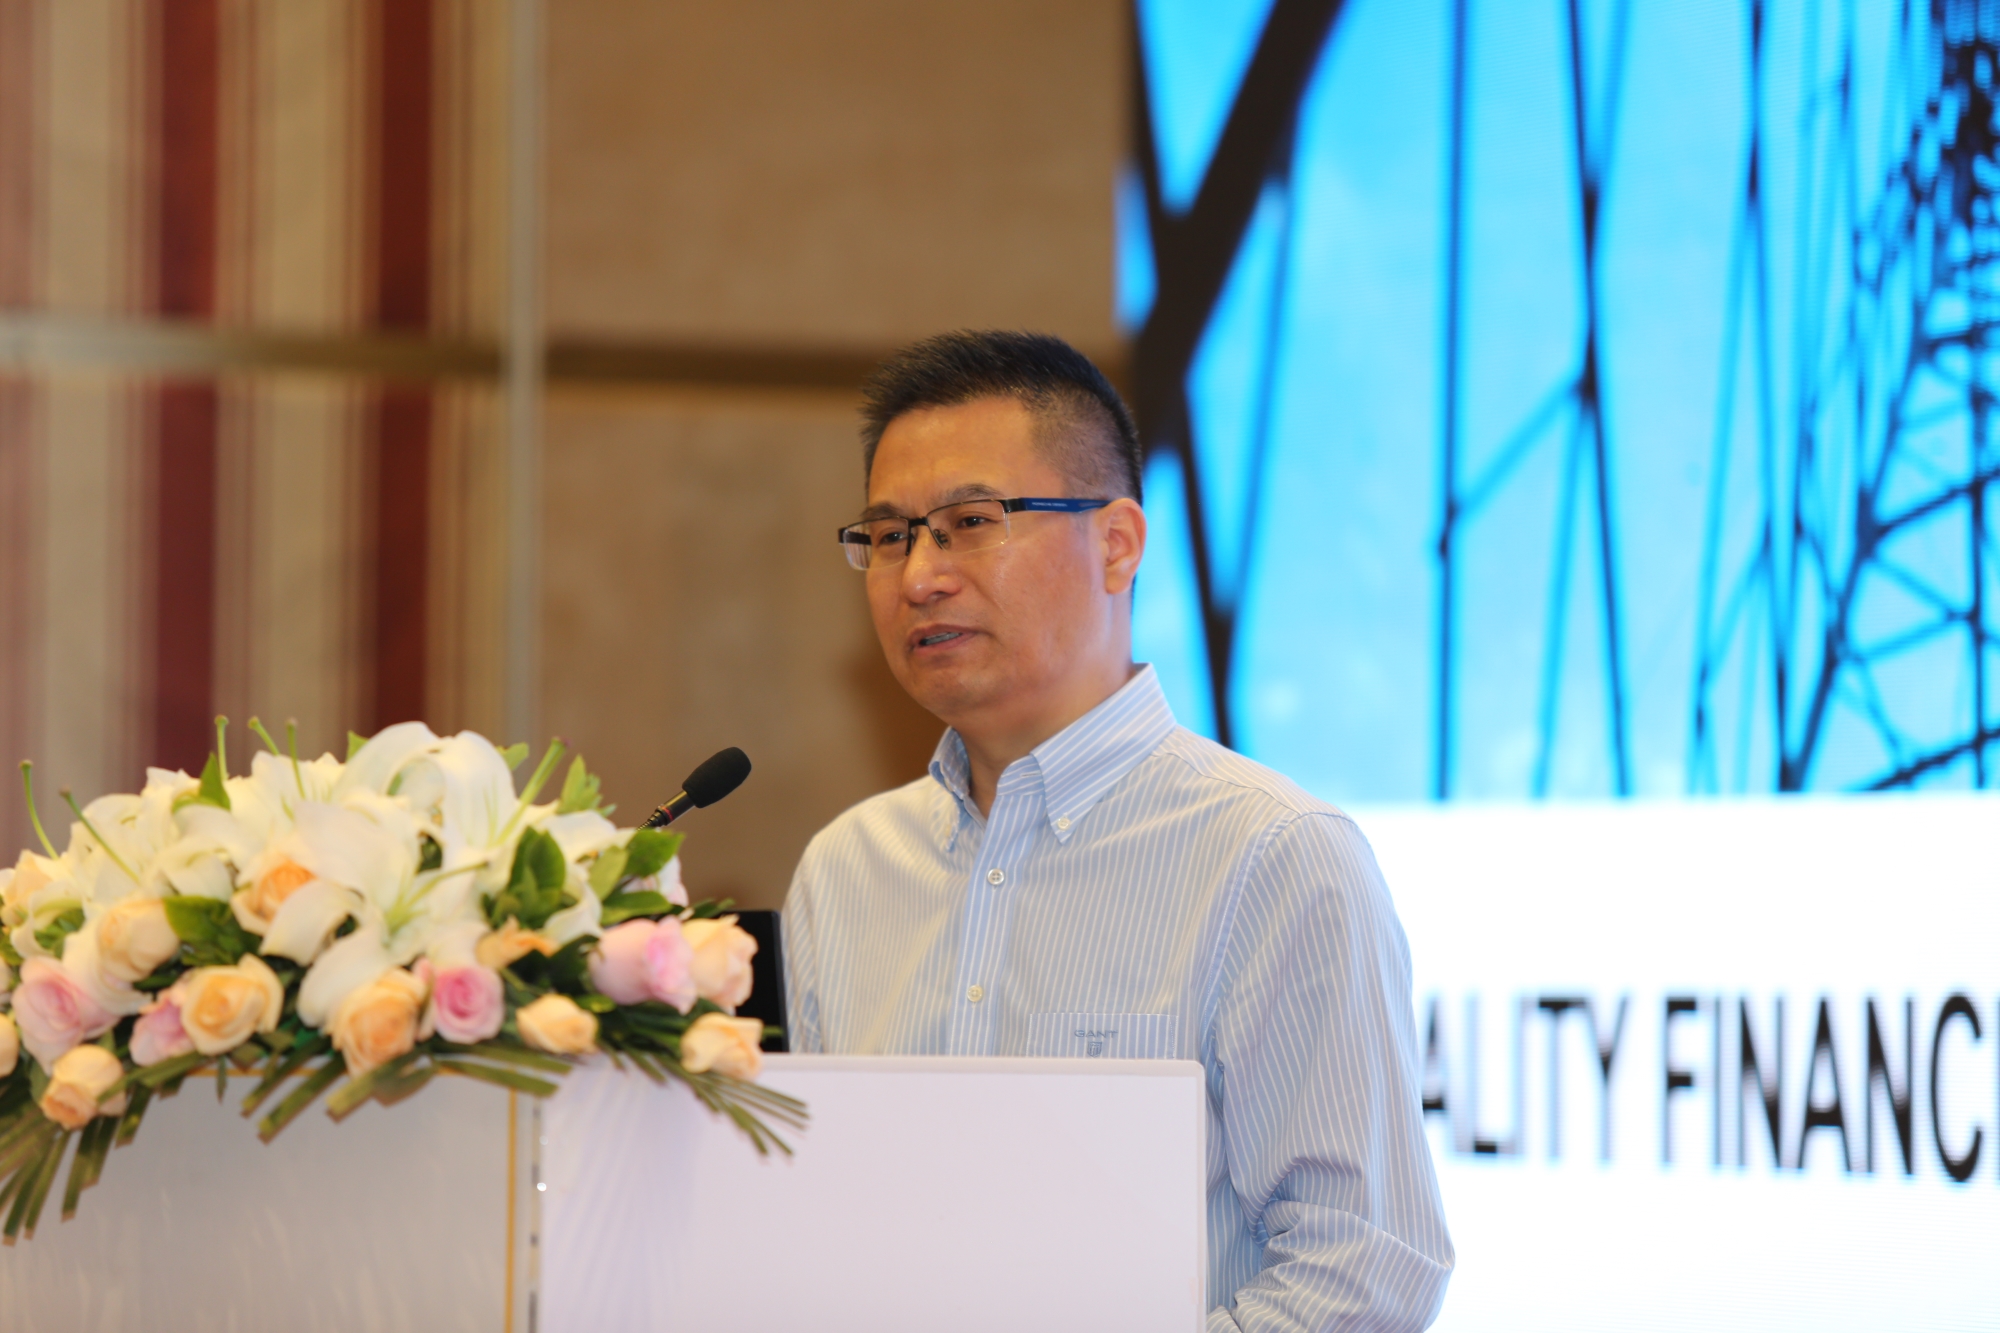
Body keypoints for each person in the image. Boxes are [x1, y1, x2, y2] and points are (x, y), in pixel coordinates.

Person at [782, 330, 1453, 1331]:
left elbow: (1361, 1271)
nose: (919, 575)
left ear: (1118, 544)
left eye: (969, 522)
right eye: (887, 537)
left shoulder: (1272, 855)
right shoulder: (844, 871)